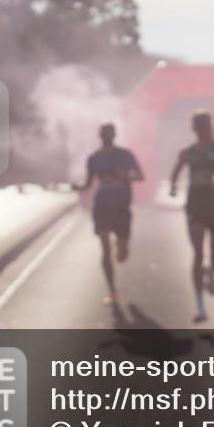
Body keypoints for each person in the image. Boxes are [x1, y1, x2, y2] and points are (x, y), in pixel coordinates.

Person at [72, 123, 144, 305]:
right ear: (100, 136)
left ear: (114, 134)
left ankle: (123, 248)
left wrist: (126, 177)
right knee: (105, 250)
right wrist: (78, 186)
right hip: (102, 206)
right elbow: (88, 183)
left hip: (121, 206)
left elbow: (140, 176)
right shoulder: (94, 158)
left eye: (109, 133)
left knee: (121, 254)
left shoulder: (125, 155)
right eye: (104, 133)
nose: (107, 136)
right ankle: (112, 292)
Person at [170, 110, 214, 321]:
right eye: (199, 126)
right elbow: (177, 169)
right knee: (198, 253)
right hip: (195, 204)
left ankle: (212, 272)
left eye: (205, 126)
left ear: (210, 127)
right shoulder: (188, 152)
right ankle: (200, 305)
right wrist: (174, 186)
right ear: (194, 129)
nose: (202, 130)